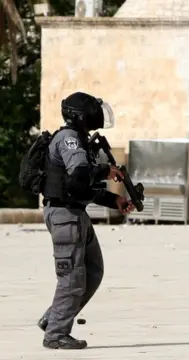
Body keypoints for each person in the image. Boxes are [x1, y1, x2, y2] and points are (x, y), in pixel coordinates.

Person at [36, 92, 134, 349]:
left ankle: (55, 317)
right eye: (92, 110)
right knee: (72, 278)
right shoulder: (68, 139)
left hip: (75, 213)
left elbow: (81, 188)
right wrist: (105, 170)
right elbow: (79, 177)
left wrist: (115, 201)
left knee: (93, 271)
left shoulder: (79, 140)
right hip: (64, 216)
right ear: (80, 115)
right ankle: (56, 334)